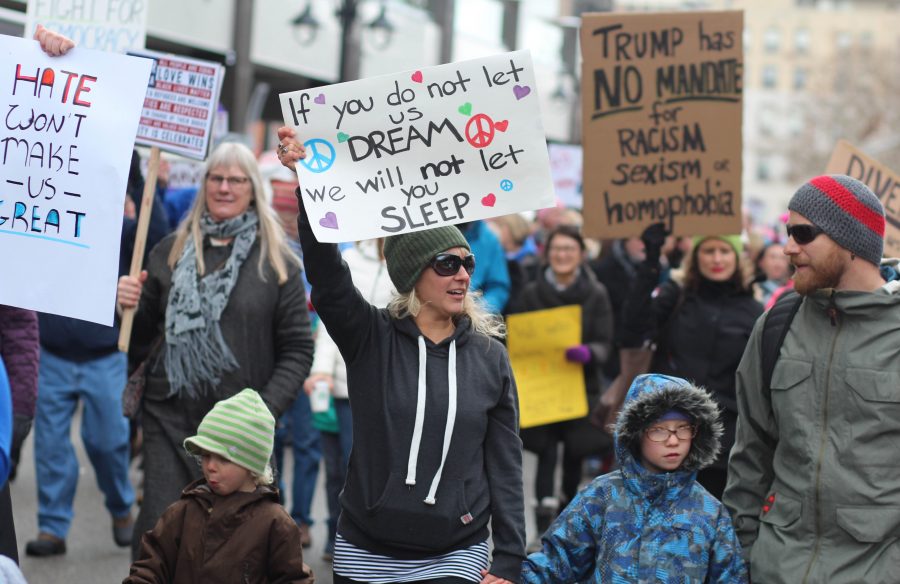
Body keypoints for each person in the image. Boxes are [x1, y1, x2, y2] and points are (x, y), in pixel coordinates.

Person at [278, 126, 525, 584]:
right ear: (414, 274)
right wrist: (311, 187)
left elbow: (505, 461)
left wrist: (509, 558)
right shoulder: (371, 337)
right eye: (447, 264)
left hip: (456, 550)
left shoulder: (489, 356)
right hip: (366, 547)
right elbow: (328, 281)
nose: (462, 276)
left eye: (467, 264)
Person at [117, 141, 314, 558]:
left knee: (231, 546)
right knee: (159, 533)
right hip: (170, 415)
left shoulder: (278, 262)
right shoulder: (168, 251)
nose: (225, 188)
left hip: (239, 433)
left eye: (236, 180)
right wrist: (128, 305)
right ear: (205, 184)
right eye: (217, 178)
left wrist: (262, 411)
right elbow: (138, 342)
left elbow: (298, 349)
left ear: (252, 189)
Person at [724, 174, 900, 584]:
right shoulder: (775, 326)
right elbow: (750, 456)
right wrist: (745, 557)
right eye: (788, 233)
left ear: (851, 240)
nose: (788, 248)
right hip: (775, 569)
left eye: (803, 233)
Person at [521, 373, 746, 582]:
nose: (673, 440)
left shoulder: (709, 512)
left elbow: (730, 576)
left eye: (683, 428)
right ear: (635, 434)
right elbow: (556, 561)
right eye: (659, 429)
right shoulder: (602, 496)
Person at [619, 226, 762, 499]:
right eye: (709, 250)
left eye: (724, 251)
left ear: (737, 257)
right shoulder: (676, 297)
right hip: (668, 436)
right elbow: (632, 330)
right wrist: (650, 261)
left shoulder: (754, 312)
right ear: (696, 256)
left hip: (724, 442)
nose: (717, 259)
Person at [125, 388, 313, 583]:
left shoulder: (275, 523)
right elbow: (150, 566)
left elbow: (293, 578)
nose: (210, 466)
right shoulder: (182, 513)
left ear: (251, 464)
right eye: (205, 455)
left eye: (223, 458)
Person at [508, 225, 614, 547]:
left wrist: (588, 352)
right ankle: (542, 517)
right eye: (557, 249)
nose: (562, 255)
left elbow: (605, 342)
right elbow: (516, 337)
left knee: (574, 452)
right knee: (544, 449)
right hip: (541, 388)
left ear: (581, 254)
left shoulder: (596, 293)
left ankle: (568, 513)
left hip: (579, 388)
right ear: (547, 253)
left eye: (569, 249)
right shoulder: (529, 293)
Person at [304, 238, 394, 561]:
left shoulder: (409, 262)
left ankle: (370, 540)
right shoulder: (350, 259)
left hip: (389, 388)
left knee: (375, 469)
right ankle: (336, 535)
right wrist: (321, 370)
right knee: (339, 466)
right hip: (342, 387)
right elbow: (333, 322)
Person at [458, 221, 511, 314]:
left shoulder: (489, 239)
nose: (464, 276)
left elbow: (498, 288)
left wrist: (477, 312)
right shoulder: (431, 234)